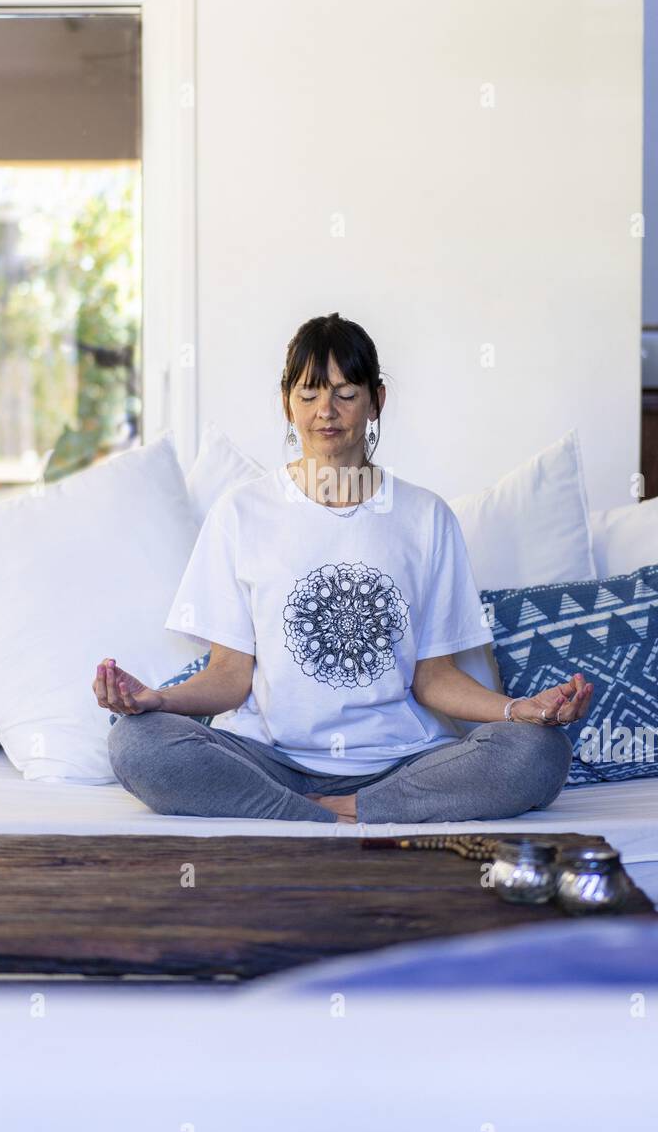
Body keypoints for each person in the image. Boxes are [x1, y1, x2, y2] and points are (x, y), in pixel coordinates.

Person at [95, 313, 593, 824]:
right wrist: (156, 699)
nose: (325, 412)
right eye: (308, 394)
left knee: (540, 753)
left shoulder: (426, 517)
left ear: (377, 400)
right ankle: (320, 810)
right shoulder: (241, 513)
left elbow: (434, 678)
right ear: (287, 403)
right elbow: (229, 677)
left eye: (345, 393)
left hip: (403, 763)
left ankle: (336, 809)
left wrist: (520, 710)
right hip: (271, 762)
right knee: (135, 741)